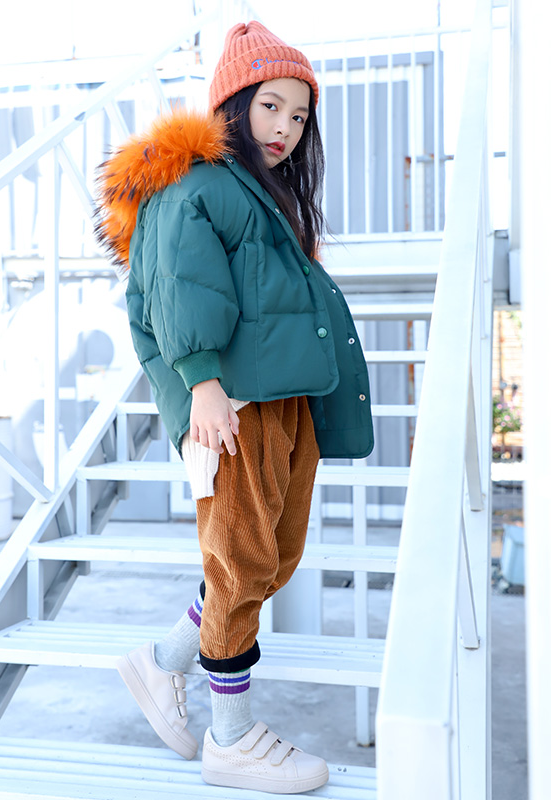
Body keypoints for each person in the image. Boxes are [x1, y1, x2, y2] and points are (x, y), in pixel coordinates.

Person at [96, 20, 374, 794]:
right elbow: (179, 286)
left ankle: (163, 662)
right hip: (233, 406)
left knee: (270, 561)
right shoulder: (198, 184)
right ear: (233, 104)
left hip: (283, 401)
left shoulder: (261, 194)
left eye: (300, 115)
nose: (286, 127)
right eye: (271, 107)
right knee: (242, 562)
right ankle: (231, 737)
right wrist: (203, 384)